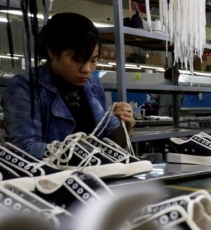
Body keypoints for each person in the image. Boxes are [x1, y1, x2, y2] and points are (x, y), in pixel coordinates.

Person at [1, 12, 135, 159]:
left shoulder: (93, 86)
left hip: (95, 177)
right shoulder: (26, 88)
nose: (87, 69)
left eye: (93, 60)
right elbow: (25, 149)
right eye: (77, 60)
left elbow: (112, 143)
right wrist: (85, 155)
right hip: (51, 180)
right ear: (52, 52)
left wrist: (126, 126)